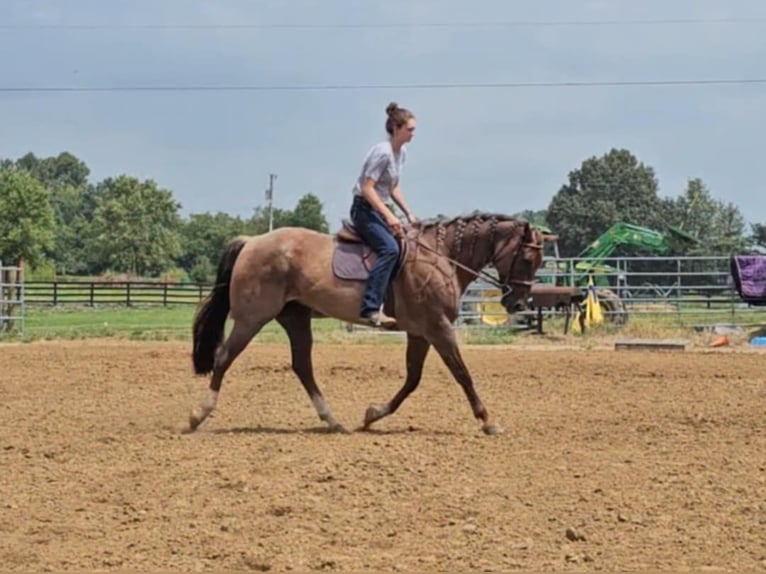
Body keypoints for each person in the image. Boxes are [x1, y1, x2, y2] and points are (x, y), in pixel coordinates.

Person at [350, 102, 418, 328]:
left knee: (408, 247)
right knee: (389, 249)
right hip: (364, 209)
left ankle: (395, 303)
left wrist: (408, 212)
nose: (413, 133)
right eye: (410, 129)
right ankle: (370, 308)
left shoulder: (401, 153)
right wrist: (390, 217)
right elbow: (368, 188)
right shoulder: (383, 153)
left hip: (379, 208)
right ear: (396, 128)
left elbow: (392, 186)